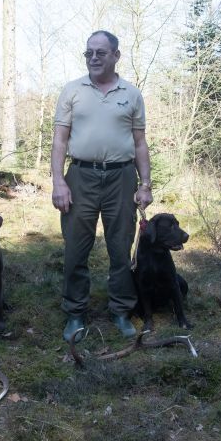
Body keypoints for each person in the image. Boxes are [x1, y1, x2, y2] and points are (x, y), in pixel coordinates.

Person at [51, 30, 153, 341]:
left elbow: (139, 144)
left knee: (120, 248)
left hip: (121, 179)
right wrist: (58, 182)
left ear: (116, 56)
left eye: (101, 52)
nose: (93, 58)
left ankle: (121, 310)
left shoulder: (131, 94)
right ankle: (75, 313)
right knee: (76, 248)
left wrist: (145, 183)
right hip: (80, 176)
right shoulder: (72, 91)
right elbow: (59, 140)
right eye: (89, 53)